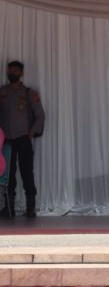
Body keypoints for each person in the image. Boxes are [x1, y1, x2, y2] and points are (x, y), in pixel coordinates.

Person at [0, 61, 45, 218]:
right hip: (7, 141)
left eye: (15, 71)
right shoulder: (2, 92)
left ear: (21, 73)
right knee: (7, 175)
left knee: (27, 173)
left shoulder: (28, 93)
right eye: (9, 71)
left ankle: (31, 207)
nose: (11, 73)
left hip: (23, 139)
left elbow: (40, 116)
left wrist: (31, 133)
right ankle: (8, 207)